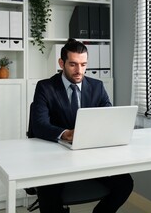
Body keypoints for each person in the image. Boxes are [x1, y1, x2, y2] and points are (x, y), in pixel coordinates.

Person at [31, 38, 134, 213]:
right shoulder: (45, 87)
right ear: (61, 63)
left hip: (91, 157)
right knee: (48, 193)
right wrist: (65, 133)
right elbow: (39, 124)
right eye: (73, 64)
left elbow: (109, 116)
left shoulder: (97, 87)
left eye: (83, 64)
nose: (79, 70)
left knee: (125, 184)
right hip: (55, 160)